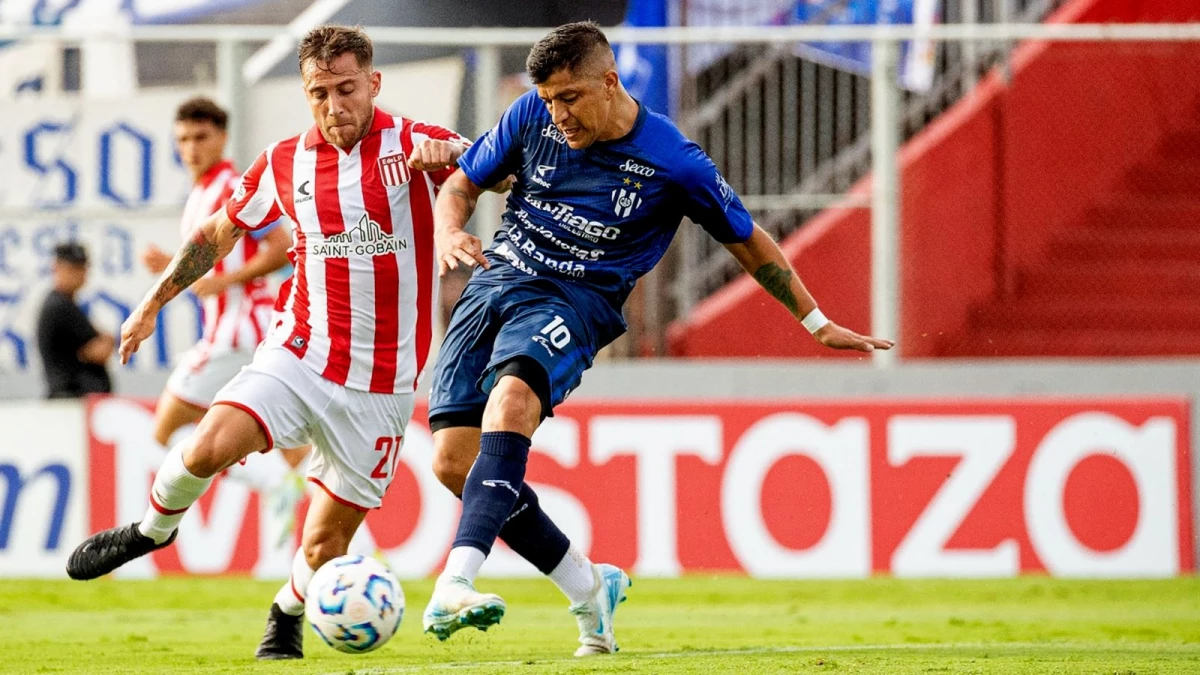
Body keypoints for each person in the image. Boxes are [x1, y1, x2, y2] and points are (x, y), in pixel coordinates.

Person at [421, 21, 894, 656]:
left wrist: (814, 320)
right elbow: (462, 183)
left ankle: (454, 581)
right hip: (496, 281)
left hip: (575, 300)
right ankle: (590, 589)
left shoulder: (672, 161)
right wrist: (452, 230)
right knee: (455, 464)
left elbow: (748, 241)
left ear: (609, 82)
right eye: (549, 99)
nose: (557, 114)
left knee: (512, 403)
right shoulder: (528, 114)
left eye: (570, 98)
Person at [65, 25, 475, 661]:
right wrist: (150, 305)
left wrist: (460, 166)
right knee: (207, 445)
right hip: (299, 352)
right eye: (319, 93)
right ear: (306, 94)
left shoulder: (418, 142)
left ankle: (286, 610)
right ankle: (152, 530)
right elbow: (218, 233)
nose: (334, 107)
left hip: (382, 386)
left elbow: (492, 171)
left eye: (346, 89)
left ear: (373, 82)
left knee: (322, 547)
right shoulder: (285, 162)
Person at [143, 97, 308, 539]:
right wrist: (171, 267)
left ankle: (274, 483)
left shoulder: (232, 187)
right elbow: (207, 268)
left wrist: (225, 280)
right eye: (183, 140)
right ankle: (317, 531)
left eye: (201, 138)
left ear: (222, 138)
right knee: (282, 442)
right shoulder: (200, 192)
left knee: (165, 427)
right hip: (238, 331)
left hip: (239, 330)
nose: (191, 148)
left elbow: (280, 245)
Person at [35, 242, 114, 399]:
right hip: (70, 398)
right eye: (72, 268)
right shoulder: (59, 306)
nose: (79, 274)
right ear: (56, 267)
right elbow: (100, 351)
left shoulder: (67, 303)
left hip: (77, 397)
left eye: (82, 268)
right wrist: (105, 340)